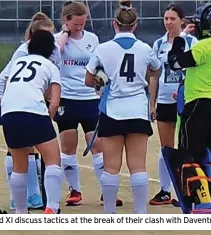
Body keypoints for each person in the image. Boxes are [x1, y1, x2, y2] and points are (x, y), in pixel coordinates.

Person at [85, 0, 161, 214]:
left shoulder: (103, 49)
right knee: (138, 166)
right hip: (137, 110)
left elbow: (88, 80)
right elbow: (156, 70)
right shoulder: (145, 49)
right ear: (135, 25)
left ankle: (109, 213)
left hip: (112, 111)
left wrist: (102, 82)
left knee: (111, 167)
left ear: (114, 24)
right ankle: (140, 213)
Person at [165, 2, 211, 214]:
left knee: (190, 152)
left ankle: (202, 200)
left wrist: (178, 40)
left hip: (200, 104)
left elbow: (176, 62)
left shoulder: (205, 46)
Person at [54, 1, 122, 206]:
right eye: (76, 24)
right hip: (66, 98)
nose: (80, 28)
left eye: (83, 24)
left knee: (98, 145)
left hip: (90, 98)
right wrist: (65, 33)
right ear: (66, 21)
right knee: (68, 146)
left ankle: (105, 192)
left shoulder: (93, 39)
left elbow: (98, 64)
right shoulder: (57, 39)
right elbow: (57, 52)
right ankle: (74, 191)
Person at [0, 11, 59, 211]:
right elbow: (55, 102)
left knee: (19, 166)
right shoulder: (50, 65)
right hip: (34, 113)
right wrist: (47, 118)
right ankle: (53, 207)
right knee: (53, 162)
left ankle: (20, 211)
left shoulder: (17, 61)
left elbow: (5, 84)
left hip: (9, 113)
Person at [149, 4, 197, 206]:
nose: (169, 22)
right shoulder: (159, 43)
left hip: (186, 100)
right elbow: (154, 75)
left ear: (182, 21)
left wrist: (185, 87)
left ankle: (186, 189)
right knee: (166, 147)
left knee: (186, 145)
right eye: (166, 18)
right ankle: (165, 189)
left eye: (173, 19)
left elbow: (196, 69)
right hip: (165, 100)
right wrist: (152, 103)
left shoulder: (191, 42)